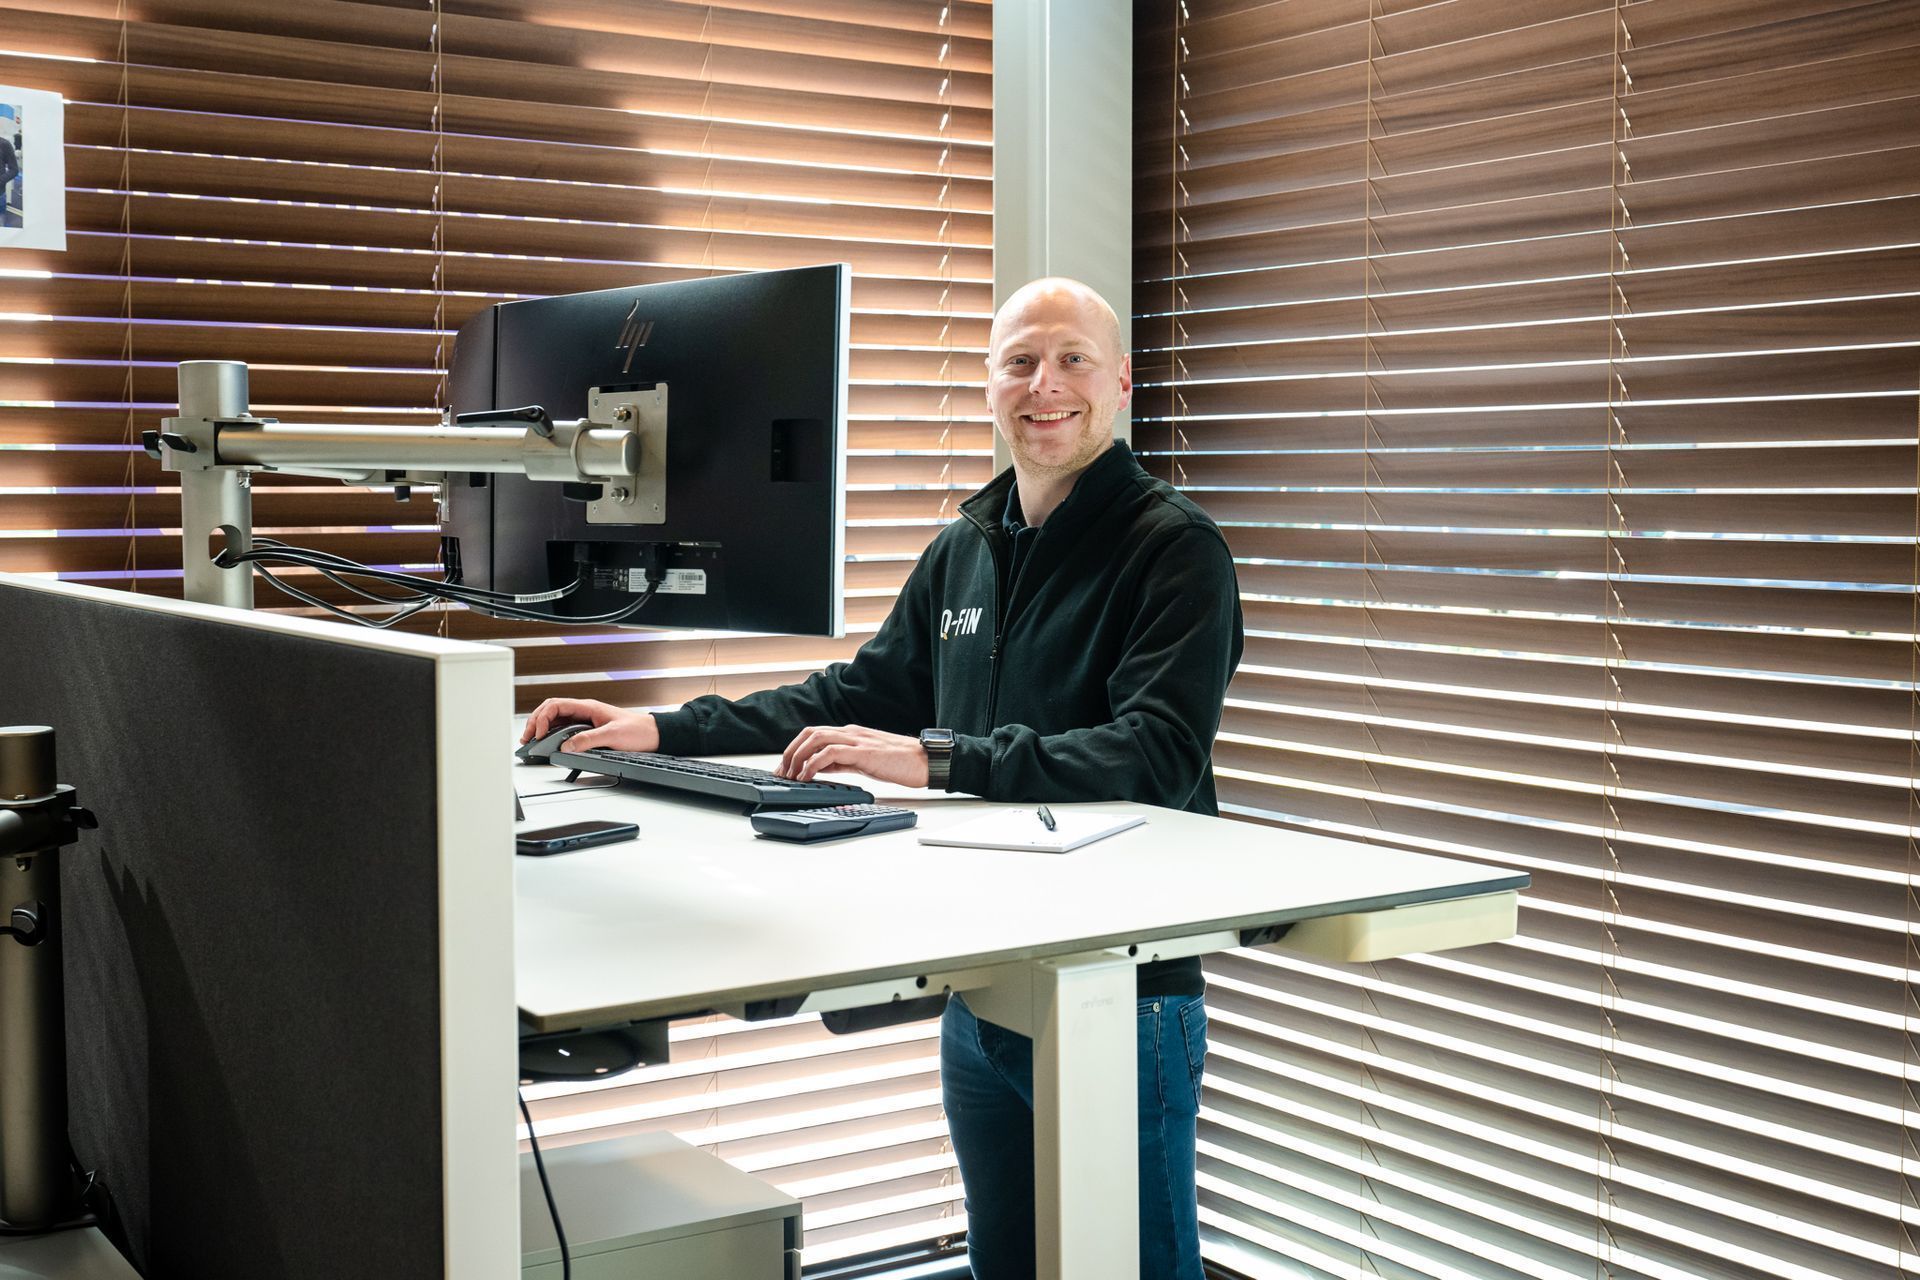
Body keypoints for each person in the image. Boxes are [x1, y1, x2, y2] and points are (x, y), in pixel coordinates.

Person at [521, 277, 1243, 1280]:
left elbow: (1155, 752)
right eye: (1020, 361)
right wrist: (660, 726)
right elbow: (856, 693)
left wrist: (939, 756)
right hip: (985, 987)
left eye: (1073, 359)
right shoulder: (967, 547)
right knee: (1007, 1263)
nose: (1045, 383)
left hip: (1122, 992)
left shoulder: (1174, 548)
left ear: (1120, 382)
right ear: (990, 385)